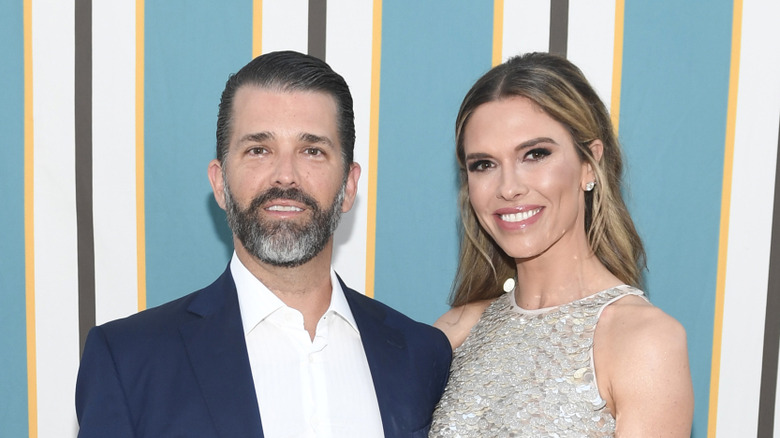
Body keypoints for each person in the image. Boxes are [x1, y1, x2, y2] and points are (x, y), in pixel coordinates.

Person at [76, 50, 451, 438]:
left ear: (349, 186)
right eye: (259, 150)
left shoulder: (422, 355)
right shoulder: (128, 360)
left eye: (312, 151)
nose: (285, 176)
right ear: (220, 182)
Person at [429, 52, 693, 437]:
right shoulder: (457, 330)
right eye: (484, 164)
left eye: (535, 155)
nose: (508, 188)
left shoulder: (643, 340)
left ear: (590, 163)